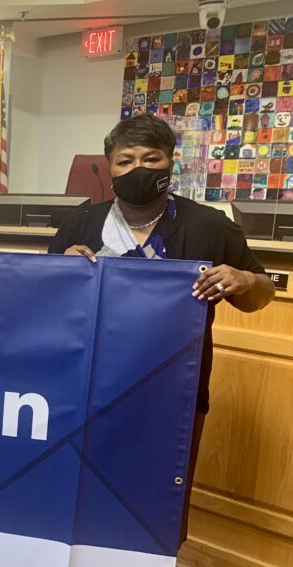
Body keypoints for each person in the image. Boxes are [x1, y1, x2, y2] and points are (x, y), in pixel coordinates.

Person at [49, 113, 275, 543]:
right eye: (125, 161)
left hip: (174, 394)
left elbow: (260, 294)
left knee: (157, 508)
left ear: (171, 163)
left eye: (151, 159)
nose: (138, 170)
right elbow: (44, 310)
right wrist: (58, 273)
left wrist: (244, 280)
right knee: (81, 496)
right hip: (85, 388)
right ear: (109, 167)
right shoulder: (80, 224)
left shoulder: (209, 225)